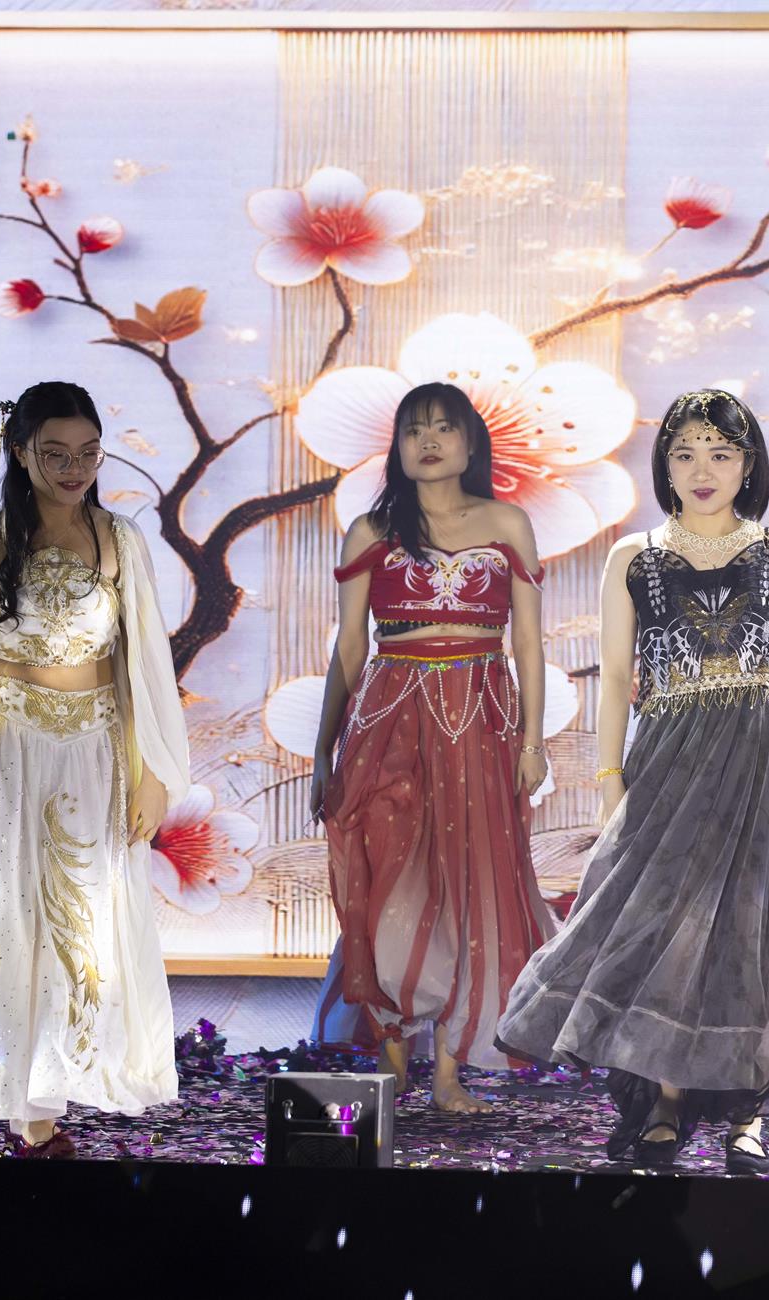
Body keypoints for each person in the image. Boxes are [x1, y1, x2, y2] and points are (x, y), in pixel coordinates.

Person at [495, 388, 769, 1174]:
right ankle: (666, 1102)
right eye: (684, 453)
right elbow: (617, 680)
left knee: (765, 933)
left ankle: (749, 1118)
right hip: (672, 760)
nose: (702, 469)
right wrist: (610, 781)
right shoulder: (633, 557)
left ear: (748, 464)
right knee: (664, 930)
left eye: (720, 452)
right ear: (665, 466)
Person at [0, 381, 190, 1157]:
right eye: (55, 454)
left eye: (88, 453)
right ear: (20, 453)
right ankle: (30, 1111)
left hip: (92, 753)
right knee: (9, 921)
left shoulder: (120, 540)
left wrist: (151, 773)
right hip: (4, 751)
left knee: (84, 925)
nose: (74, 469)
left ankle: (57, 1085)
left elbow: (140, 668)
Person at [306, 381, 556, 1114]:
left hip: (481, 718)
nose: (429, 441)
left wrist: (533, 741)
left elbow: (529, 643)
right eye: (415, 429)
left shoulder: (507, 522)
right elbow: (349, 648)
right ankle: (393, 1062)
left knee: (470, 885)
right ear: (398, 447)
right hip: (389, 716)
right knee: (387, 878)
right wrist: (323, 752)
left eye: (444, 428)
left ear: (471, 443)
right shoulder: (371, 530)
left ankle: (448, 1072)